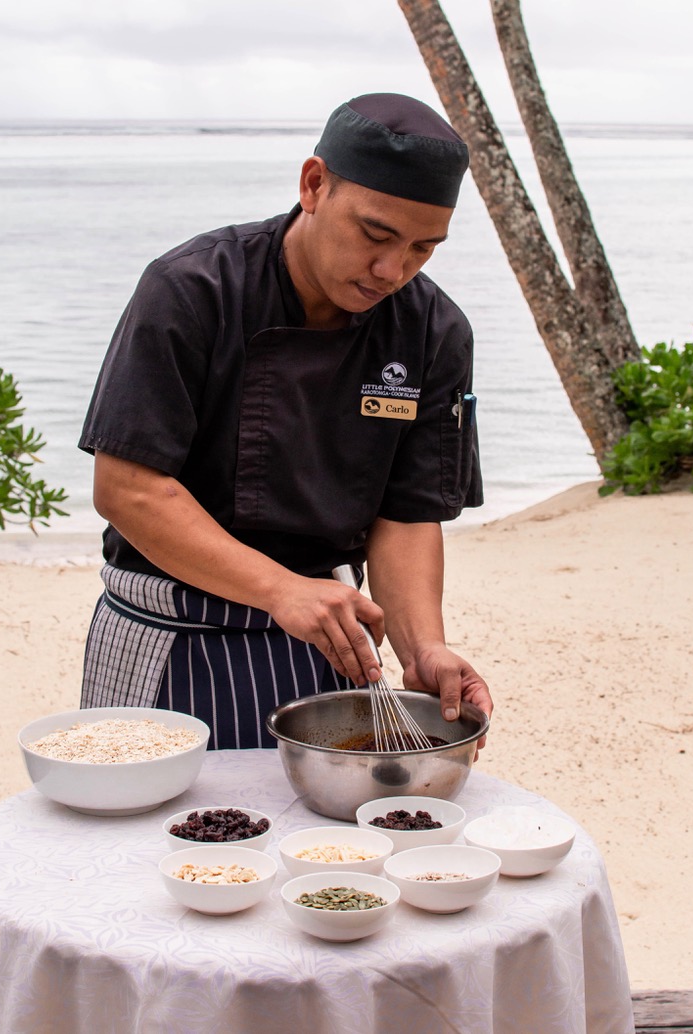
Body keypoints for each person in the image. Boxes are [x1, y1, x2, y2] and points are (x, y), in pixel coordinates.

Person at [79, 92, 493, 750]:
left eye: (422, 248)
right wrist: (278, 589)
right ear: (313, 185)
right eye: (375, 235)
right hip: (167, 628)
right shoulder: (192, 290)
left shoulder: (432, 331)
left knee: (322, 846)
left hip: (327, 640)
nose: (393, 271)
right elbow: (127, 489)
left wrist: (423, 649)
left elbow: (406, 514)